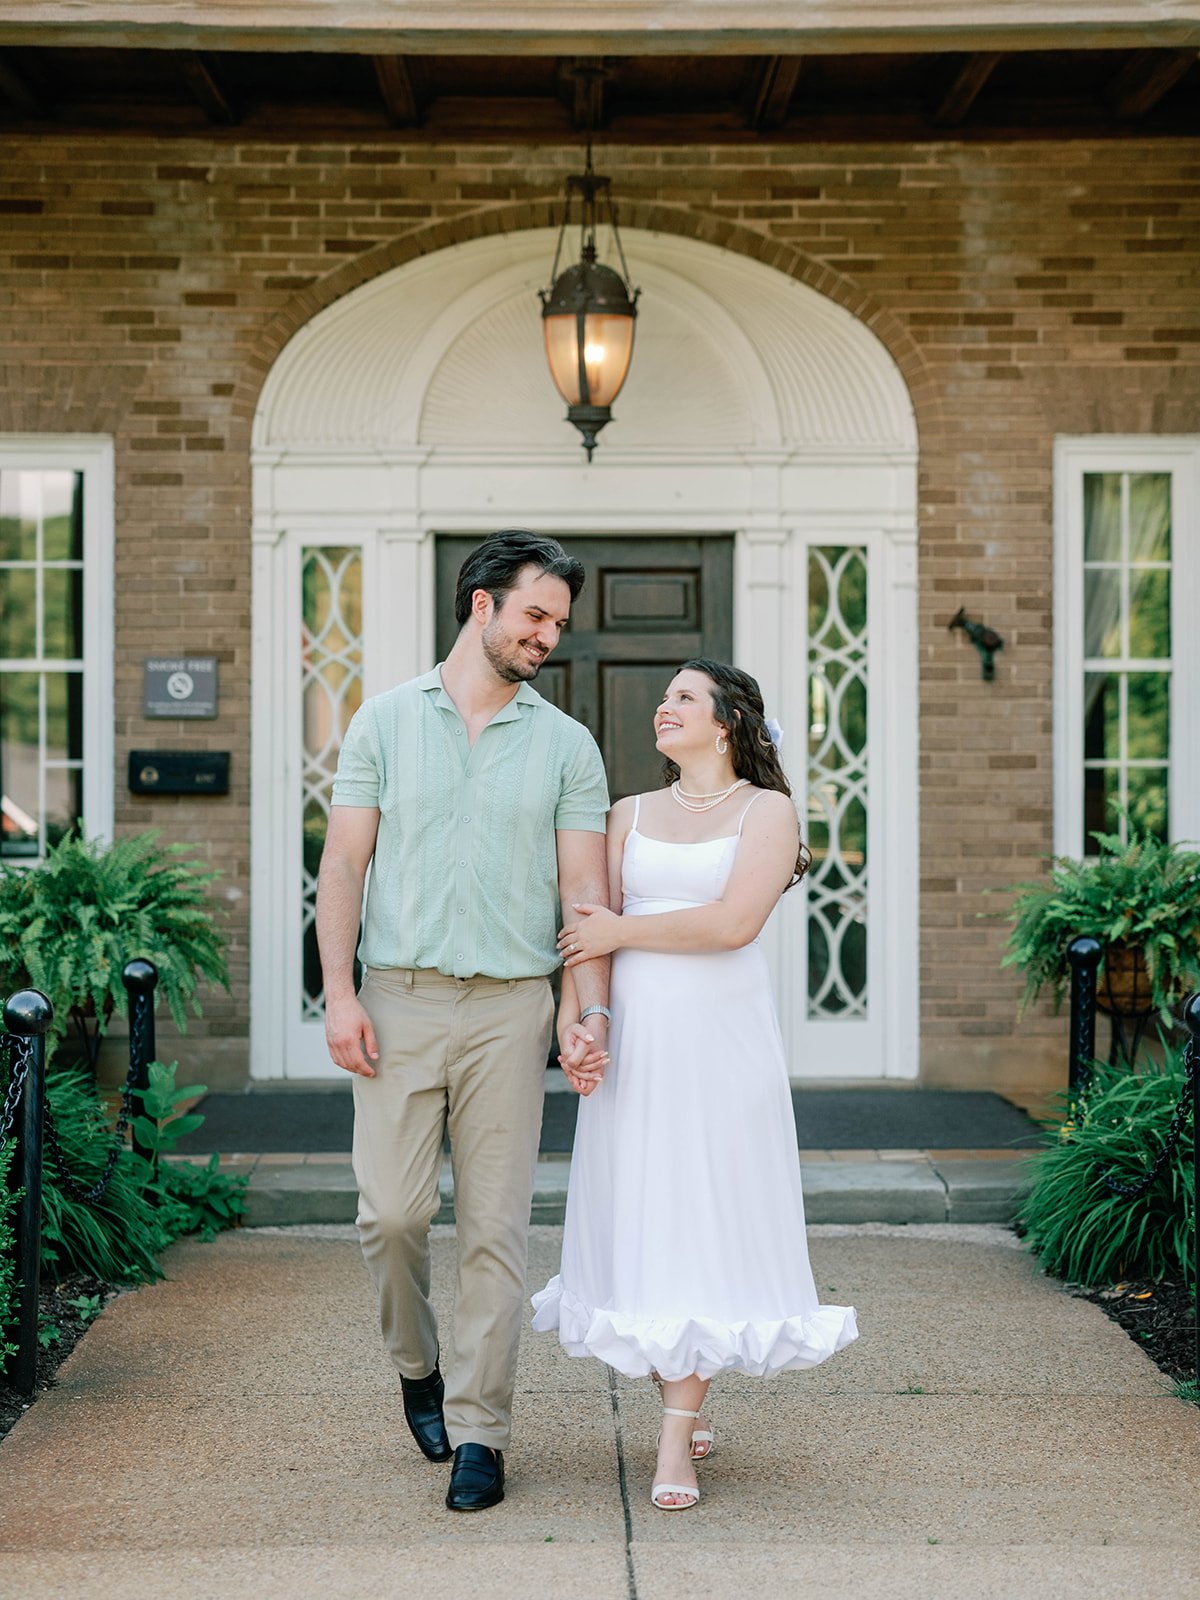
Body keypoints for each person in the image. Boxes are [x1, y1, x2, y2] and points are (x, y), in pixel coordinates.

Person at [317, 530, 611, 1513]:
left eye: (558, 624)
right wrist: (341, 992)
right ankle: (417, 1365)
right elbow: (344, 867)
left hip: (509, 1010)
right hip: (396, 998)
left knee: (495, 1228)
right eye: (536, 614)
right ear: (481, 603)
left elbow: (582, 894)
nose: (547, 636)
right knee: (391, 1215)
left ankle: (483, 1429)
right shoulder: (386, 722)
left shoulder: (568, 745)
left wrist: (582, 1011)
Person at [533, 658, 858, 1511]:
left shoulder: (769, 811)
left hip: (722, 1043)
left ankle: (675, 1437)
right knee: (649, 1216)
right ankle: (684, 1383)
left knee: (708, 1216)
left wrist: (620, 926)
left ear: (728, 722)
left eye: (683, 698)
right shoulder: (627, 814)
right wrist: (582, 1024)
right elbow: (585, 935)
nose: (662, 708)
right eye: (664, 698)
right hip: (638, 1041)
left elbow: (732, 923)